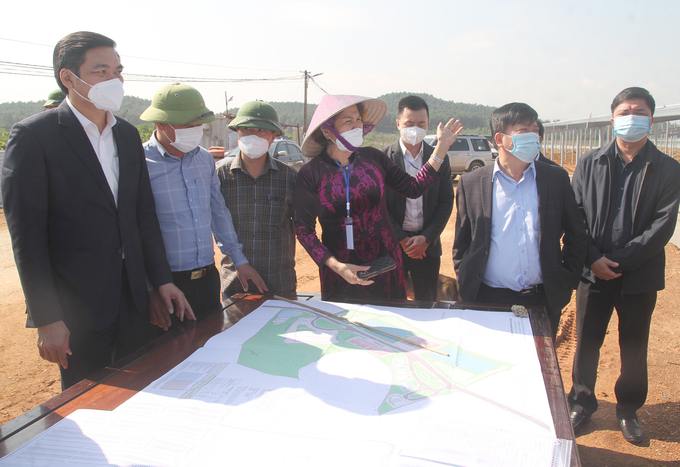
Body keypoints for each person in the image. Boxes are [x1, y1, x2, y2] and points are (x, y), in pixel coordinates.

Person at [1, 31, 191, 390]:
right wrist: (47, 318)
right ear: (68, 78)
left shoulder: (127, 135)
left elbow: (141, 218)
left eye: (118, 70)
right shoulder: (34, 137)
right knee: (88, 399)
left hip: (135, 302)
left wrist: (160, 280)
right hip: (78, 309)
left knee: (141, 391)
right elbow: (28, 239)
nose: (114, 80)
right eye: (101, 71)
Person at [568, 87, 680, 444]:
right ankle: (582, 402)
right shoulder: (589, 163)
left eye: (640, 111)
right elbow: (576, 217)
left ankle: (628, 409)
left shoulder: (667, 168)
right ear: (613, 117)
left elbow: (662, 225)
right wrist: (592, 258)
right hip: (593, 271)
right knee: (587, 340)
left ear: (651, 118)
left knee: (634, 344)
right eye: (625, 111)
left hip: (639, 275)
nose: (632, 117)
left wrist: (619, 260)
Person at [294, 94, 462, 300]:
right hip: (340, 273)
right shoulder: (311, 173)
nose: (356, 126)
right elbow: (304, 231)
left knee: (392, 321)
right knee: (347, 328)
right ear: (328, 130)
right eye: (348, 121)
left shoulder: (373, 158)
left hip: (385, 266)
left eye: (358, 120)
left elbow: (414, 188)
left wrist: (441, 147)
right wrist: (337, 266)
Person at [452, 102, 588, 341]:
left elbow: (576, 234)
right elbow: (462, 243)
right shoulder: (471, 183)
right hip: (488, 298)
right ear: (500, 138)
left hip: (542, 298)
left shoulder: (555, 179)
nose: (534, 136)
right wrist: (467, 281)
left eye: (535, 130)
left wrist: (566, 279)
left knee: (539, 366)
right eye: (524, 130)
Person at [140, 83, 265, 331]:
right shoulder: (140, 162)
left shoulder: (204, 159)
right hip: (166, 284)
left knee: (207, 344)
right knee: (167, 357)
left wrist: (239, 260)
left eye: (198, 124)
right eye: (187, 125)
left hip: (206, 279)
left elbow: (218, 213)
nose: (195, 131)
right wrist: (150, 288)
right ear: (161, 124)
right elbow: (135, 229)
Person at [217, 100, 297, 296]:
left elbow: (304, 226)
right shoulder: (219, 176)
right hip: (235, 284)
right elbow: (214, 225)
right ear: (237, 132)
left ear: (273, 136)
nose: (254, 136)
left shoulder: (289, 177)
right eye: (247, 130)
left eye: (262, 130)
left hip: (279, 283)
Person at [383, 95, 454, 301]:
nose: (415, 128)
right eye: (409, 123)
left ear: (428, 124)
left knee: (427, 303)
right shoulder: (385, 158)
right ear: (398, 124)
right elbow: (381, 207)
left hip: (427, 248)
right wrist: (403, 240)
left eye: (421, 124)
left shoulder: (439, 157)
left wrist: (428, 238)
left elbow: (446, 201)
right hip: (394, 247)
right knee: (392, 303)